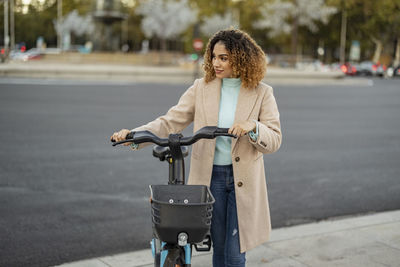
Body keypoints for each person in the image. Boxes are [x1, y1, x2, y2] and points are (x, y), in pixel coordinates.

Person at [111, 29, 282, 267]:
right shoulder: (202, 88)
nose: (216, 63)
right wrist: (134, 135)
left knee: (235, 255)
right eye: (213, 57)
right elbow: (170, 121)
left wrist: (252, 126)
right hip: (211, 179)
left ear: (241, 57)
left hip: (245, 181)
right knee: (219, 249)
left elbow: (274, 138)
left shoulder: (262, 92)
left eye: (223, 57)